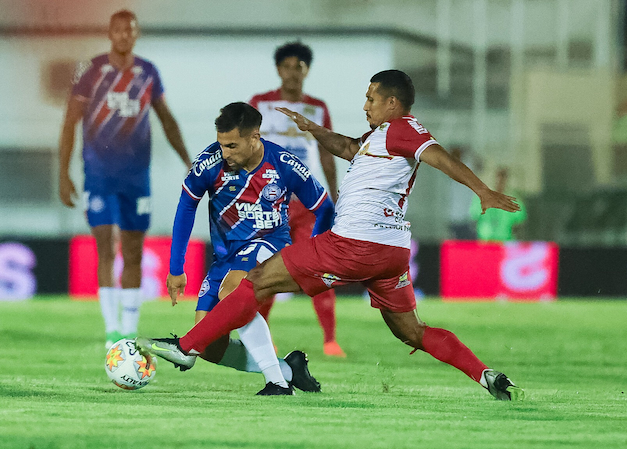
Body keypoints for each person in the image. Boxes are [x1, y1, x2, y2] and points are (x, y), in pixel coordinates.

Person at [137, 70, 525, 401]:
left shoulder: (403, 130)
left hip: (354, 243)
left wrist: (482, 190)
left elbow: (437, 154)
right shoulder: (380, 138)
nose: (365, 105)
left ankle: (186, 348)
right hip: (391, 253)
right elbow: (348, 147)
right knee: (413, 331)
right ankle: (485, 374)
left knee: (253, 283)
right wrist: (313, 128)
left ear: (392, 102)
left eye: (371, 98)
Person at [163, 102, 333, 395]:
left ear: (254, 137)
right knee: (210, 346)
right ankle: (289, 369)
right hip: (225, 257)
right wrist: (176, 268)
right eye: (221, 144)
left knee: (232, 293)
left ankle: (277, 384)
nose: (225, 153)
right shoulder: (209, 162)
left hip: (270, 244)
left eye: (232, 145)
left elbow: (324, 207)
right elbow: (186, 206)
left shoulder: (283, 163)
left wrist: (315, 249)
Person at [58, 10, 191, 349]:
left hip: (136, 177)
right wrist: (63, 172)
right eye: (118, 30)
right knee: (105, 246)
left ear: (136, 34)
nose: (124, 35)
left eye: (129, 30)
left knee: (133, 250)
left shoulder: (147, 73)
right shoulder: (90, 70)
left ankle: (128, 332)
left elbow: (167, 120)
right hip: (98, 174)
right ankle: (111, 331)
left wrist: (189, 161)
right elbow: (70, 121)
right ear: (110, 33)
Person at [248, 42, 345, 357]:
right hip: (269, 203)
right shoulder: (260, 104)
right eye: (287, 66)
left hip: (308, 204)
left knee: (320, 270)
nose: (293, 73)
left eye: (299, 67)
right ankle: (265, 340)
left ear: (306, 71)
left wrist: (336, 194)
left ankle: (330, 340)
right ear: (279, 70)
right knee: (265, 271)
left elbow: (328, 155)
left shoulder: (318, 108)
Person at [470, 166, 527, 241]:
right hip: (486, 241)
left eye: (503, 179)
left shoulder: (514, 200)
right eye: (498, 178)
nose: (500, 181)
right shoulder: (480, 198)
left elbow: (520, 223)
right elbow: (474, 218)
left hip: (506, 241)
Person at [448, 147, 481, 240]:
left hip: (468, 217)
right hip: (455, 218)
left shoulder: (467, 168)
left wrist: (469, 152)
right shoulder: (451, 169)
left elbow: (480, 165)